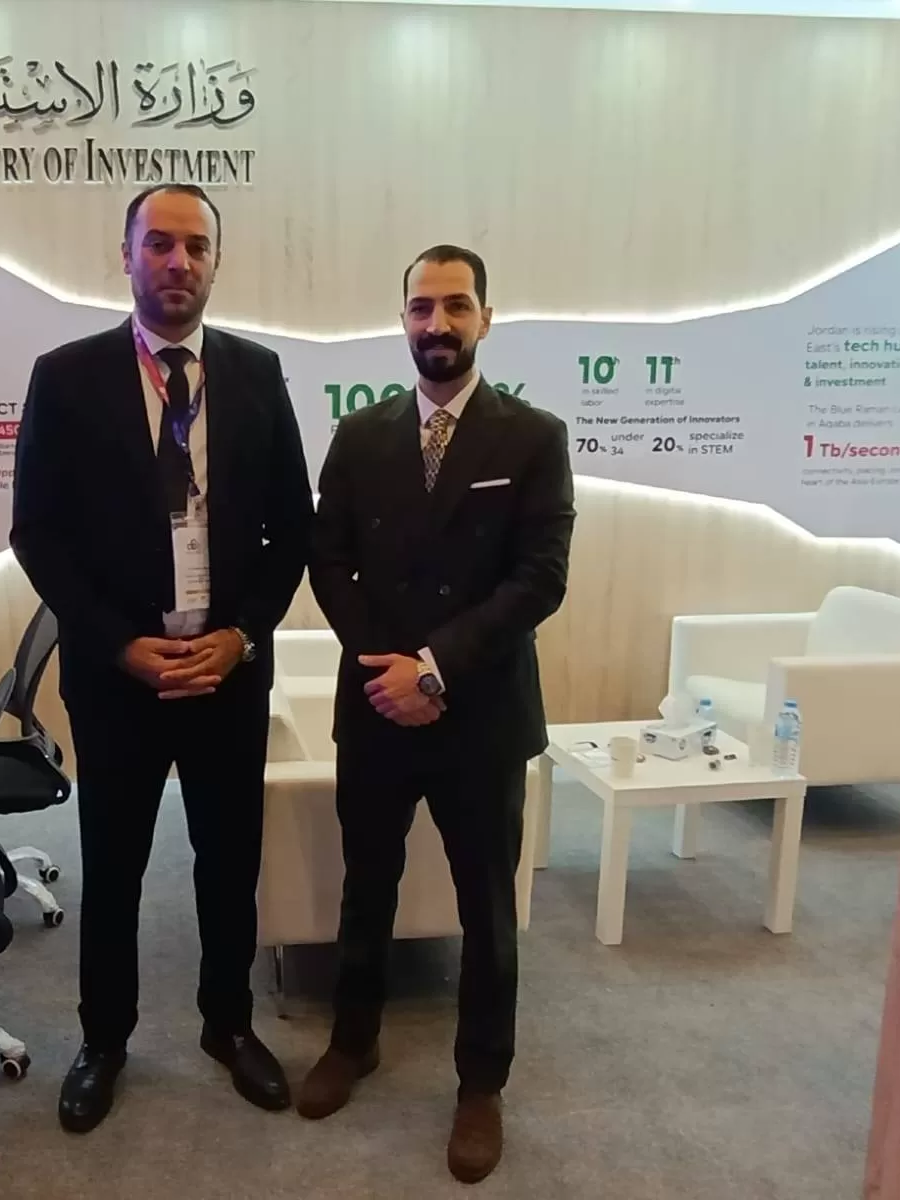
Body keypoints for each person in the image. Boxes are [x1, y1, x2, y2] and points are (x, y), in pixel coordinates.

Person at [11, 184, 313, 1134]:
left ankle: (229, 1024)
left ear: (216, 262)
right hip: (118, 681)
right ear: (127, 255)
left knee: (228, 863)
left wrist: (244, 634)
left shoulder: (258, 374)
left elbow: (292, 530)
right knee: (114, 868)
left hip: (227, 674)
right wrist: (117, 644)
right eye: (159, 244)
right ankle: (104, 1040)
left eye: (196, 246)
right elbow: (37, 535)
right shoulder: (66, 377)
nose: (178, 262)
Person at [299, 245, 575, 1184]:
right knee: (365, 887)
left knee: (486, 908)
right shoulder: (361, 434)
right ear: (403, 320)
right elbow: (327, 558)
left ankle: (481, 1084)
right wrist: (390, 670)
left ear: (486, 318)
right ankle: (354, 1040)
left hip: (480, 711)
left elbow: (539, 579)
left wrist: (434, 669)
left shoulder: (532, 437)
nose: (438, 323)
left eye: (457, 306)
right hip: (377, 702)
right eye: (422, 307)